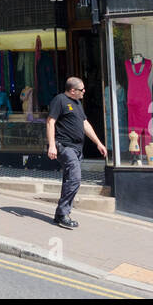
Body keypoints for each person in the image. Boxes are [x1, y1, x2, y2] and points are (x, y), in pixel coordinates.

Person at [46, 76, 107, 229]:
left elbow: (85, 124)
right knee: (75, 178)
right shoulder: (59, 100)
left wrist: (98, 143)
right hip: (64, 146)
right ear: (72, 90)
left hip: (77, 149)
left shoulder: (77, 103)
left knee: (70, 180)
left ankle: (61, 214)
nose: (84, 91)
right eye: (81, 89)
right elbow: (50, 122)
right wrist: (52, 145)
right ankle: (63, 214)